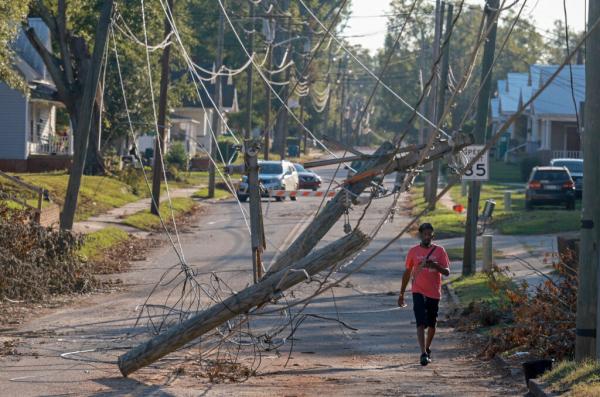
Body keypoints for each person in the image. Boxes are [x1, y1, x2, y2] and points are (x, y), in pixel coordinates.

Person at [398, 222, 450, 366]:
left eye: (429, 234)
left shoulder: (440, 251)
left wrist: (434, 265)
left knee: (432, 324)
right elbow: (407, 273)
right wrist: (401, 293)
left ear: (433, 235)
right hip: (418, 290)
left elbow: (447, 272)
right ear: (420, 235)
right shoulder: (413, 251)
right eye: (424, 234)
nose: (427, 237)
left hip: (434, 291)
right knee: (420, 322)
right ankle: (423, 353)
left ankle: (428, 347)